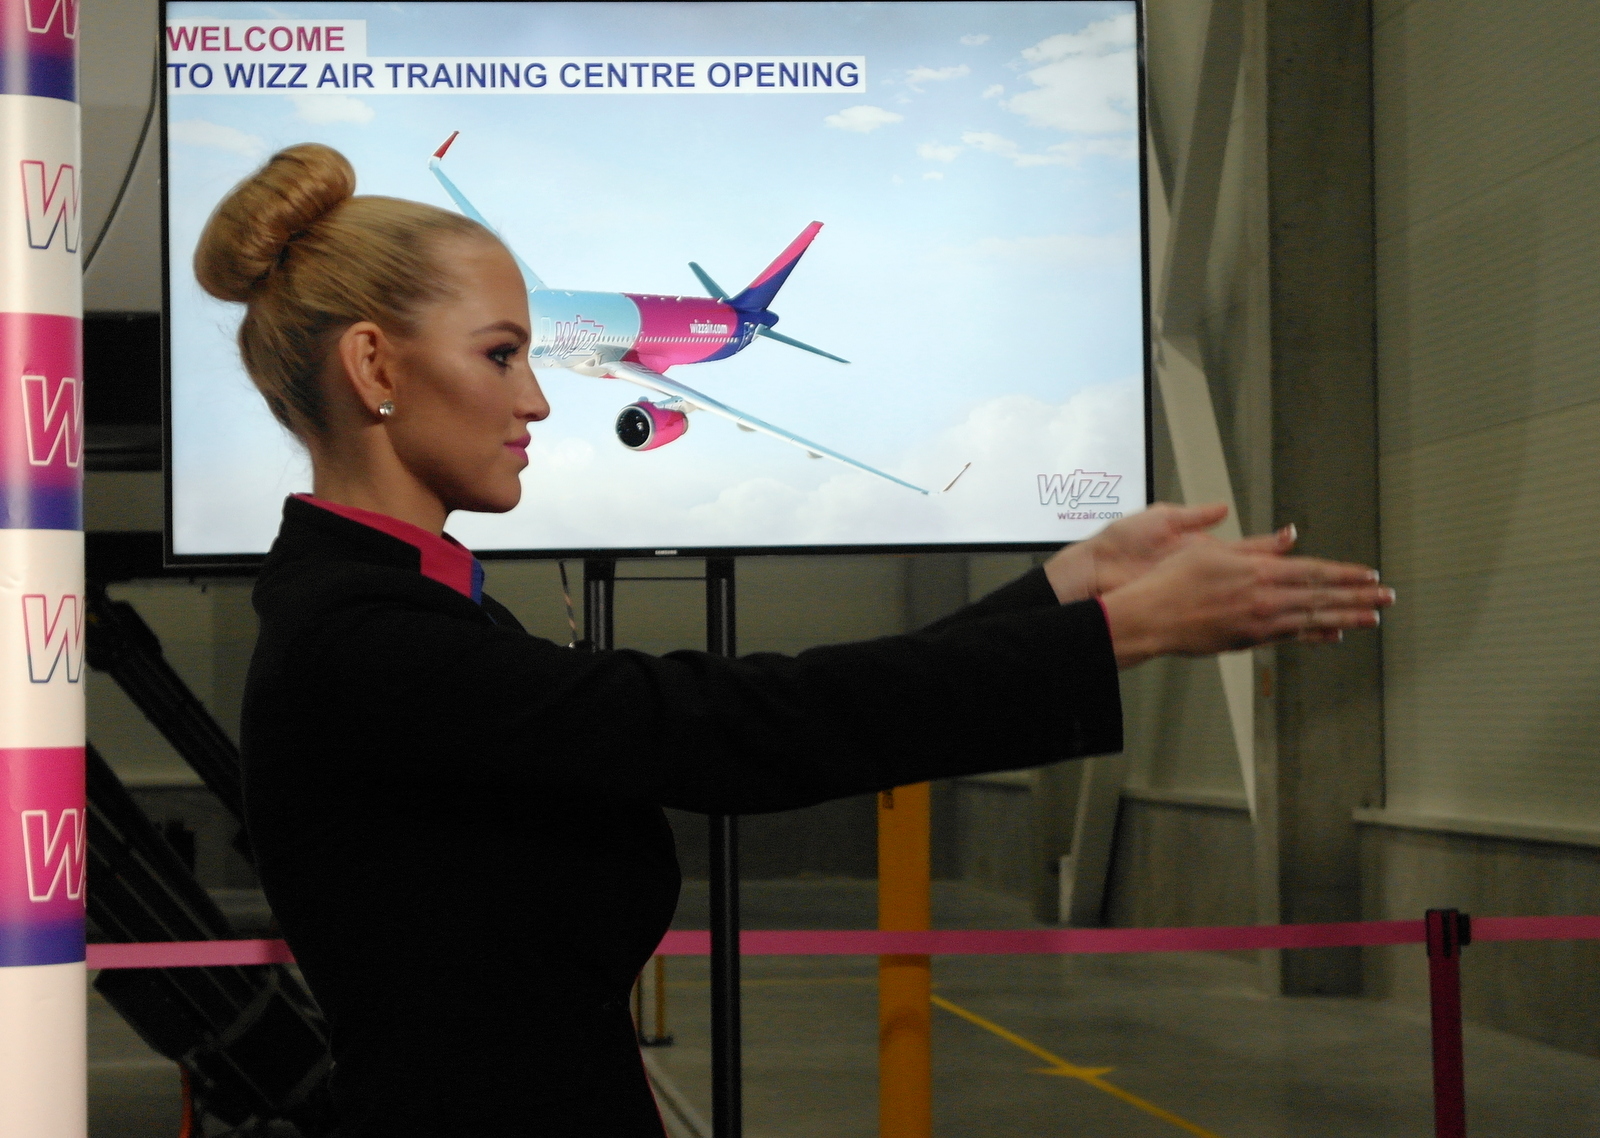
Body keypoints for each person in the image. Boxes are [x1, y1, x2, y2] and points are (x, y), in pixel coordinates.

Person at [200, 144, 1391, 1136]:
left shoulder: (397, 613)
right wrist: (1106, 636)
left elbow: (729, 724)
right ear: (374, 363)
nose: (538, 400)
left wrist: (1059, 592)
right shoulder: (365, 643)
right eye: (500, 354)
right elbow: (732, 728)